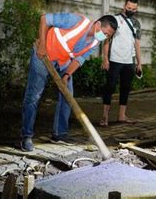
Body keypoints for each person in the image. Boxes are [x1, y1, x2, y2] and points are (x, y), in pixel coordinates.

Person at [20, 13, 117, 152]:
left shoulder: (95, 41)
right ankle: (26, 136)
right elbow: (44, 19)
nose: (105, 37)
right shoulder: (76, 21)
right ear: (97, 25)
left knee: (67, 95)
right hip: (43, 55)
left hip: (63, 61)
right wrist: (42, 44)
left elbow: (79, 60)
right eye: (105, 33)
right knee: (34, 96)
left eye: (108, 36)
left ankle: (60, 134)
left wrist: (66, 75)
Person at [100, 0, 142, 127]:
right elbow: (106, 40)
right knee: (110, 87)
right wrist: (105, 58)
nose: (131, 10)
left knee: (126, 88)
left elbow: (137, 44)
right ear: (124, 6)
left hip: (129, 61)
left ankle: (121, 116)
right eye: (129, 8)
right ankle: (104, 117)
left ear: (136, 9)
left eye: (134, 9)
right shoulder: (115, 20)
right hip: (114, 59)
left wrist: (139, 63)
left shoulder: (136, 23)